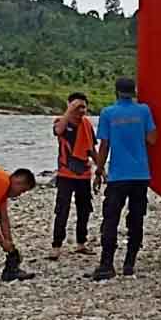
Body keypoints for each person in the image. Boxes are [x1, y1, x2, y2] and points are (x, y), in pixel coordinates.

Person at [90, 77, 157, 280]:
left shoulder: (108, 113)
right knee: (136, 219)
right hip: (140, 174)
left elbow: (104, 146)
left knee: (111, 219)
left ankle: (107, 265)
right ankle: (129, 265)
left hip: (118, 176)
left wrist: (99, 170)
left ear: (117, 92)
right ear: (134, 92)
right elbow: (153, 139)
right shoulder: (143, 111)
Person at [49, 92, 98, 260]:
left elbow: (92, 149)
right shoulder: (61, 121)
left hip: (84, 174)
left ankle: (81, 243)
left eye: (83, 107)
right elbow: (58, 131)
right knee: (62, 210)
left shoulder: (87, 125)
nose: (81, 111)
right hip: (65, 174)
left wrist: (101, 170)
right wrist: (69, 110)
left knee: (84, 209)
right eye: (78, 107)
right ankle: (56, 245)